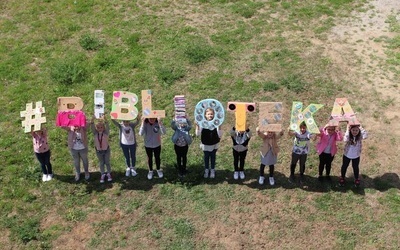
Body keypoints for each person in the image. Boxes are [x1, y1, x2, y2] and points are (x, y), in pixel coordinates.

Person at [195, 108, 222, 179]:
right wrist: (197, 126)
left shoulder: (216, 123)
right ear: (205, 115)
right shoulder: (202, 123)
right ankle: (206, 170)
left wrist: (219, 126)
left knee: (213, 157)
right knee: (206, 157)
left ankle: (212, 170)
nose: (210, 115)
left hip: (214, 144)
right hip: (205, 144)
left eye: (211, 114)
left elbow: (220, 135)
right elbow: (197, 134)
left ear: (214, 115)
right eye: (208, 114)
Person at [91, 116, 112, 183]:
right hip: (99, 151)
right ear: (96, 128)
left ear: (104, 128)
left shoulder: (106, 133)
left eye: (101, 127)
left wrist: (105, 119)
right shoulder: (95, 133)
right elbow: (92, 126)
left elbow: (107, 125)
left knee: (107, 162)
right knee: (101, 163)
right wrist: (93, 119)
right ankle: (102, 174)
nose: (100, 129)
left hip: (106, 151)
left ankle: (108, 173)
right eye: (98, 127)